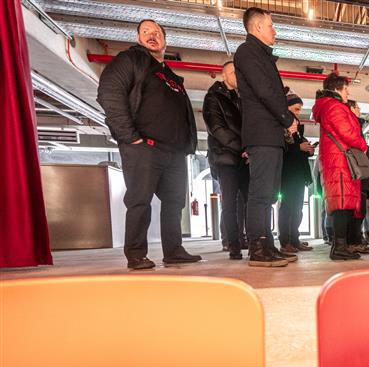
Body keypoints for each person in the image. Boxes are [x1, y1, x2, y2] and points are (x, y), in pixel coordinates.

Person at [97, 19, 200, 270]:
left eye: (157, 32)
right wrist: (130, 136)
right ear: (138, 38)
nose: (152, 35)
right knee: (139, 202)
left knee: (174, 203)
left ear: (165, 40)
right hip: (143, 146)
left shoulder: (169, 74)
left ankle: (174, 251)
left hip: (174, 151)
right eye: (146, 32)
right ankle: (136, 254)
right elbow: (109, 93)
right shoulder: (130, 60)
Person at [234, 7, 298, 267]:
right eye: (271, 26)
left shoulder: (260, 55)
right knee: (260, 193)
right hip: (262, 134)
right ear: (258, 27)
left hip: (270, 135)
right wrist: (287, 118)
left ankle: (267, 243)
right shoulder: (247, 52)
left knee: (269, 194)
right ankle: (258, 248)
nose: (275, 31)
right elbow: (265, 91)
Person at [312, 73, 369, 261]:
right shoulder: (334, 106)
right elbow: (348, 133)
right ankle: (339, 247)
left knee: (343, 204)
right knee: (342, 204)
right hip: (340, 162)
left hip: (338, 161)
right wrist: (362, 144)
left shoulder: (330, 106)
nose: (347, 93)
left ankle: (341, 246)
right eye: (345, 89)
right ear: (336, 89)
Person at [203, 60, 249, 260]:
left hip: (245, 158)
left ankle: (252, 242)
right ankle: (233, 245)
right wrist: (242, 149)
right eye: (233, 72)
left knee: (249, 202)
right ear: (224, 75)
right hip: (226, 158)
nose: (237, 76)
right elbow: (217, 128)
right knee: (230, 204)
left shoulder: (243, 98)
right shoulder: (213, 97)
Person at [278, 89, 315, 253]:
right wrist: (298, 147)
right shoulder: (281, 127)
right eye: (296, 109)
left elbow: (298, 147)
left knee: (297, 208)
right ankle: (285, 241)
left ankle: (294, 239)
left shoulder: (298, 130)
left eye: (299, 110)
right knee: (288, 207)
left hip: (299, 173)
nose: (298, 113)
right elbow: (281, 148)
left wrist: (308, 150)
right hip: (288, 173)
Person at [346, 99, 369, 255]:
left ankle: (356, 240)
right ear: (350, 109)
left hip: (361, 172)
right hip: (356, 172)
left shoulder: (357, 126)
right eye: (357, 107)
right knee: (356, 211)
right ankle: (353, 242)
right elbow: (358, 148)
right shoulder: (351, 125)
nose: (359, 110)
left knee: (360, 211)